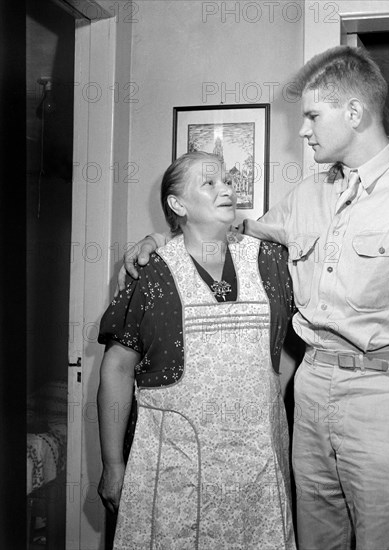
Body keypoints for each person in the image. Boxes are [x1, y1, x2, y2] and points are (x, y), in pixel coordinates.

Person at [121, 47, 389, 550]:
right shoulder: (308, 196)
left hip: (388, 395)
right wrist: (157, 244)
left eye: (313, 115)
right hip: (312, 393)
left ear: (354, 113)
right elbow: (226, 231)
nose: (303, 131)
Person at [98, 151, 296, 550]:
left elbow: (292, 340)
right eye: (210, 183)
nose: (227, 188)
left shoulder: (270, 260)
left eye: (227, 180)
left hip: (257, 463)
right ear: (178, 204)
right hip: (174, 467)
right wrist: (113, 465)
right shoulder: (150, 270)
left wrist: (269, 393)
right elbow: (117, 369)